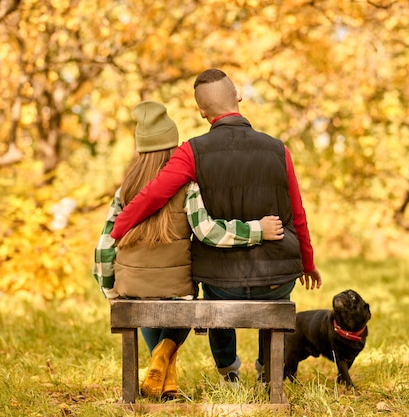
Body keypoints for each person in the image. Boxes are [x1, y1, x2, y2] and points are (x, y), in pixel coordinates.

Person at [110, 69, 322, 383]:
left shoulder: (191, 152)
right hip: (276, 280)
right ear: (238, 97)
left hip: (221, 285)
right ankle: (266, 367)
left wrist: (117, 230)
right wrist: (308, 262)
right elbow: (298, 214)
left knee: (214, 289)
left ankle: (228, 372)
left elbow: (152, 196)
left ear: (201, 112)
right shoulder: (279, 150)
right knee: (276, 296)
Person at [93, 100, 284, 399]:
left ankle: (167, 381)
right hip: (177, 291)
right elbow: (208, 232)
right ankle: (164, 354)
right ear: (172, 148)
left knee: (142, 299)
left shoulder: (125, 190)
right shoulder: (187, 186)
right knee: (183, 294)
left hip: (133, 290)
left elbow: (104, 246)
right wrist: (257, 229)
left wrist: (111, 292)